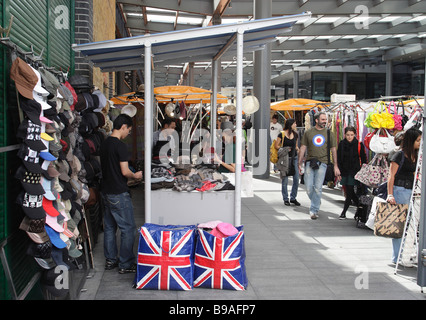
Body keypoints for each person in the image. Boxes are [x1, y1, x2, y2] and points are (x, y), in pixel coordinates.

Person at [100, 114, 143, 274]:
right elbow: (125, 172)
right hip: (118, 193)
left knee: (110, 228)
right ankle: (126, 263)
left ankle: (110, 260)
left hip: (105, 191)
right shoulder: (120, 146)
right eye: (129, 130)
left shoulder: (104, 144)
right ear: (123, 126)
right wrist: (136, 176)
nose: (128, 134)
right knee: (128, 229)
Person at [386, 127, 421, 264]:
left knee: (408, 224)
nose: (419, 142)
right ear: (411, 140)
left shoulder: (415, 155)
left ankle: (402, 255)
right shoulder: (399, 155)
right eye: (417, 140)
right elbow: (391, 176)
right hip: (399, 190)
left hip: (410, 190)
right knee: (400, 224)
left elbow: (413, 174)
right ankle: (397, 257)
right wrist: (390, 194)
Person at [298, 112, 340, 219]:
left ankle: (314, 210)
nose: (325, 121)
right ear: (316, 120)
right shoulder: (308, 133)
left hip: (323, 163)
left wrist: (336, 165)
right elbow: (303, 147)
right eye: (323, 119)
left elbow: (334, 150)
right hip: (309, 162)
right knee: (308, 187)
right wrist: (299, 163)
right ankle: (316, 200)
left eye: (326, 119)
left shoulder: (329, 133)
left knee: (318, 188)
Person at [336, 126, 367, 219]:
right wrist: (338, 171)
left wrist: (363, 172)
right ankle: (360, 208)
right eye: (348, 135)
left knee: (349, 191)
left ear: (355, 135)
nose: (349, 137)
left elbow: (364, 159)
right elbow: (339, 158)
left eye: (351, 135)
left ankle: (344, 212)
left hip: (355, 171)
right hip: (344, 171)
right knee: (349, 191)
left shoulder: (359, 144)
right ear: (344, 135)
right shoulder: (341, 144)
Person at [275, 118, 300, 206]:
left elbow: (296, 146)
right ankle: (286, 198)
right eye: (294, 123)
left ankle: (293, 197)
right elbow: (276, 146)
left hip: (294, 158)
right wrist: (285, 149)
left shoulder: (296, 134)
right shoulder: (281, 134)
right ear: (290, 124)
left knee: (296, 179)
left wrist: (298, 149)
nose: (296, 125)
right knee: (285, 180)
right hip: (284, 159)